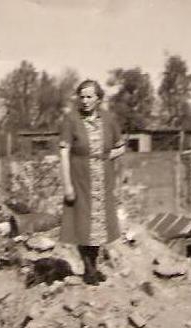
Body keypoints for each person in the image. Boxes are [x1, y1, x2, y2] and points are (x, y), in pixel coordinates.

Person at [58, 79, 126, 285]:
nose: (85, 101)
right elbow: (63, 152)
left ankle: (93, 266)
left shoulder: (109, 119)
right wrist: (67, 184)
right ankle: (88, 269)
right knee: (82, 223)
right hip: (79, 178)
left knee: (98, 225)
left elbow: (121, 146)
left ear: (98, 99)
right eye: (82, 97)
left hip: (102, 179)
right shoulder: (71, 120)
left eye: (90, 97)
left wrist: (105, 155)